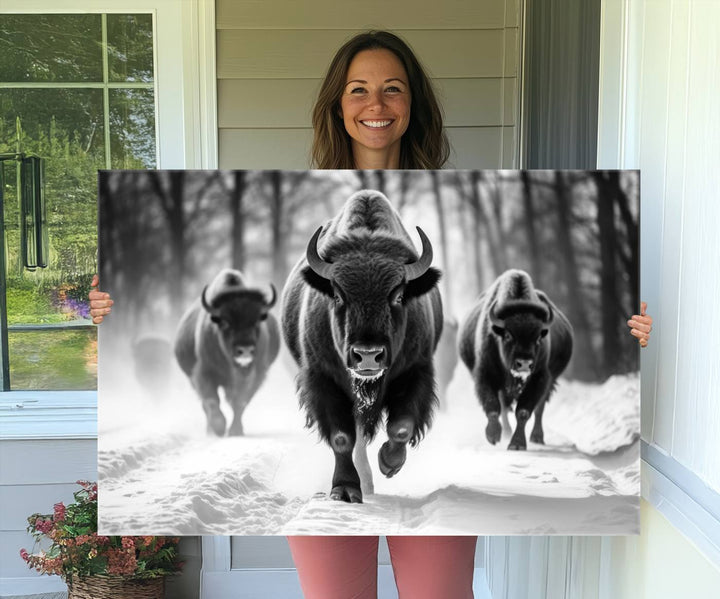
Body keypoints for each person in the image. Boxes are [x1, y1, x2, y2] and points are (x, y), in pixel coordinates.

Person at [89, 30, 652, 599]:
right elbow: (314, 373)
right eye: (358, 90)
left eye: (393, 89)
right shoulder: (310, 268)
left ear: (414, 105)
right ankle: (344, 451)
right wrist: (99, 307)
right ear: (337, 104)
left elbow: (421, 368)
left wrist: (642, 332)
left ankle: (399, 431)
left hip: (401, 369)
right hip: (335, 382)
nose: (376, 105)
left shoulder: (442, 235)